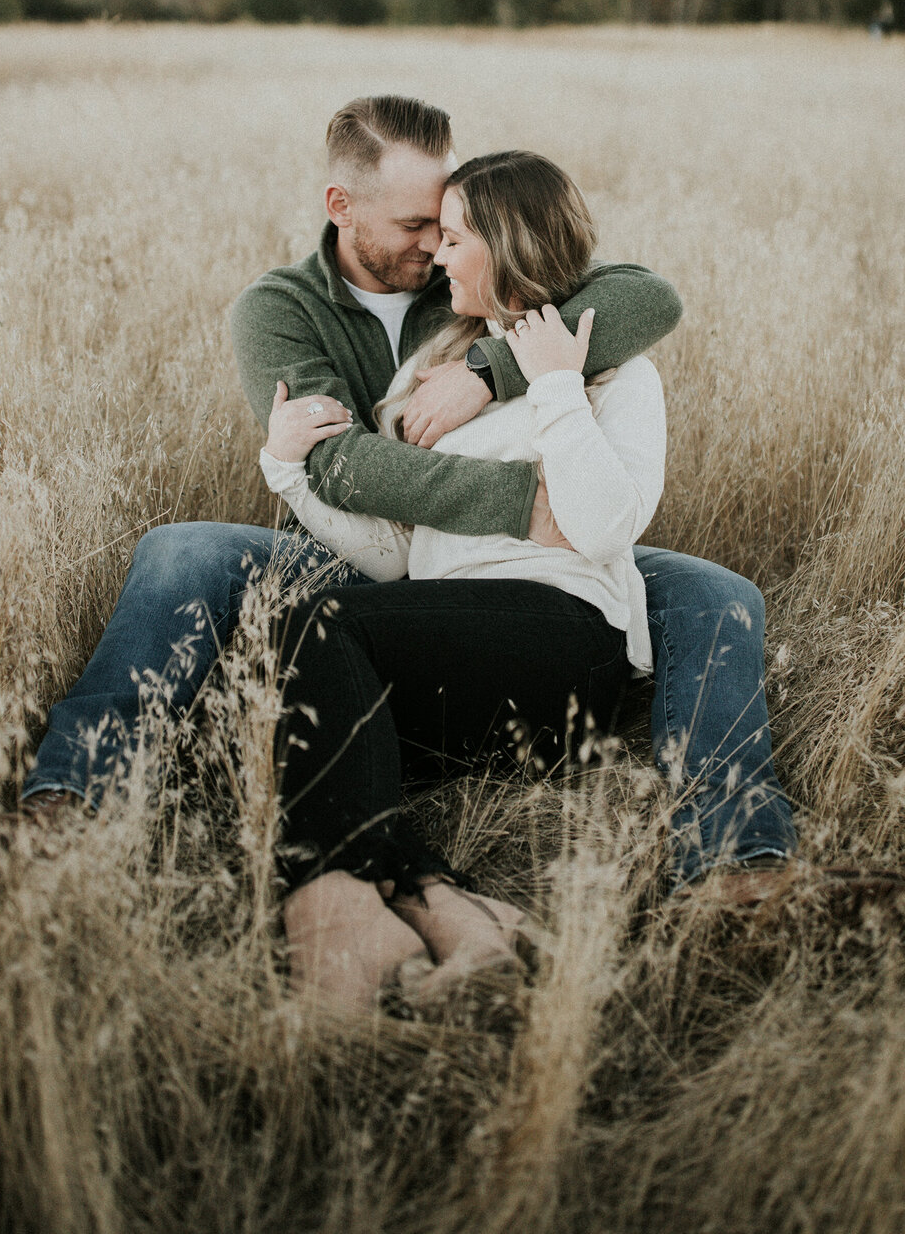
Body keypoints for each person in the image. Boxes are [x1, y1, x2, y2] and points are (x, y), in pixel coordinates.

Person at [22, 97, 795, 917]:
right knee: (181, 551)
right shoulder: (281, 309)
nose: (433, 246)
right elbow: (344, 464)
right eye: (416, 224)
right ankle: (78, 792)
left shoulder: (458, 292)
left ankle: (736, 857)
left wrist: (489, 372)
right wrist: (518, 500)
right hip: (380, 547)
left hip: (534, 556)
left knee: (714, 593)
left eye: (447, 225)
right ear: (341, 208)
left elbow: (647, 300)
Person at [259, 149, 666, 1006]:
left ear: (507, 243)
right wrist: (289, 471)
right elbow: (399, 558)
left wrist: (553, 385)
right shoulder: (435, 368)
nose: (436, 258)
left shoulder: (615, 370)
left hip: (565, 642)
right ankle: (447, 910)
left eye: (452, 238)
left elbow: (602, 526)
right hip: (456, 656)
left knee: (322, 628)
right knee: (283, 682)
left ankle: (334, 928)